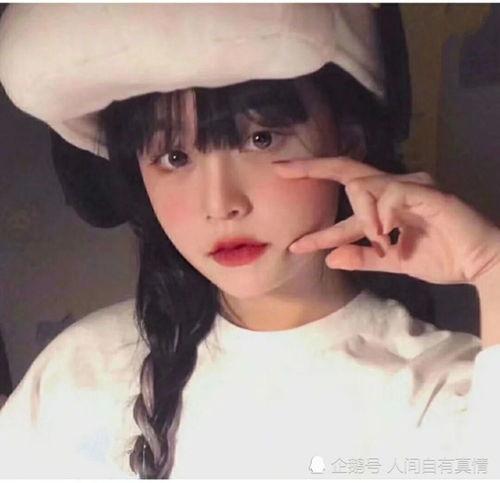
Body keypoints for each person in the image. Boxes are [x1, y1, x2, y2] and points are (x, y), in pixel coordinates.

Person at [0, 4, 500, 479]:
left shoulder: (439, 392)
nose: (221, 203)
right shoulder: (79, 367)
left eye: (261, 139)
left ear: (347, 141)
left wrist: (491, 266)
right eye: (174, 157)